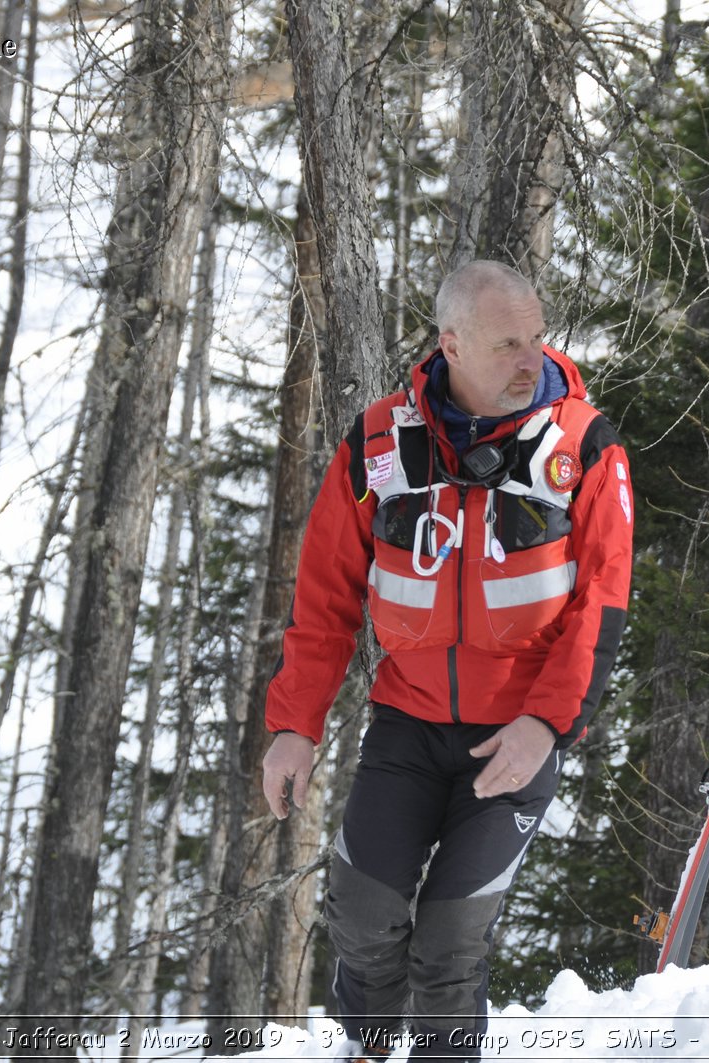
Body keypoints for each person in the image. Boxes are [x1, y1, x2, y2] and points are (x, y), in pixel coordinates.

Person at [260, 260, 633, 1062]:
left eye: (537, 338)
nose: (530, 359)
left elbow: (601, 606)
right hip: (406, 727)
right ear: (451, 343)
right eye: (507, 345)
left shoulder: (584, 448)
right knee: (362, 919)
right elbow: (324, 596)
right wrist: (295, 723)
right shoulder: (377, 444)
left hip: (515, 739)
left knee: (450, 944)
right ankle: (363, 1047)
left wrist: (545, 724)